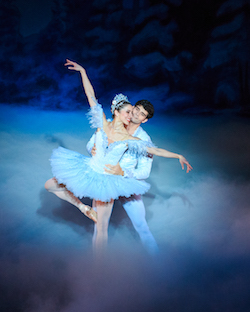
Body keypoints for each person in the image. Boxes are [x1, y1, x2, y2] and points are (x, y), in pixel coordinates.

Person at [45, 59, 193, 255]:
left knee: (136, 226)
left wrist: (177, 155)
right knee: (52, 186)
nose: (132, 115)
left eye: (137, 114)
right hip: (93, 171)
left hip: (121, 183)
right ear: (117, 111)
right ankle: (84, 210)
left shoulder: (136, 138)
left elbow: (151, 160)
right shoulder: (105, 124)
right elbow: (91, 97)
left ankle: (154, 263)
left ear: (145, 119)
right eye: (132, 111)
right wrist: (82, 71)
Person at [87, 99, 160, 254]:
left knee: (141, 226)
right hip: (105, 180)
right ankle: (96, 270)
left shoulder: (144, 140)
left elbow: (145, 172)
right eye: (137, 109)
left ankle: (159, 264)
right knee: (99, 226)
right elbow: (91, 144)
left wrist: (123, 172)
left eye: (142, 114)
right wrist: (92, 149)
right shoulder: (113, 122)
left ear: (144, 120)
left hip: (127, 183)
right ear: (132, 108)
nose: (136, 114)